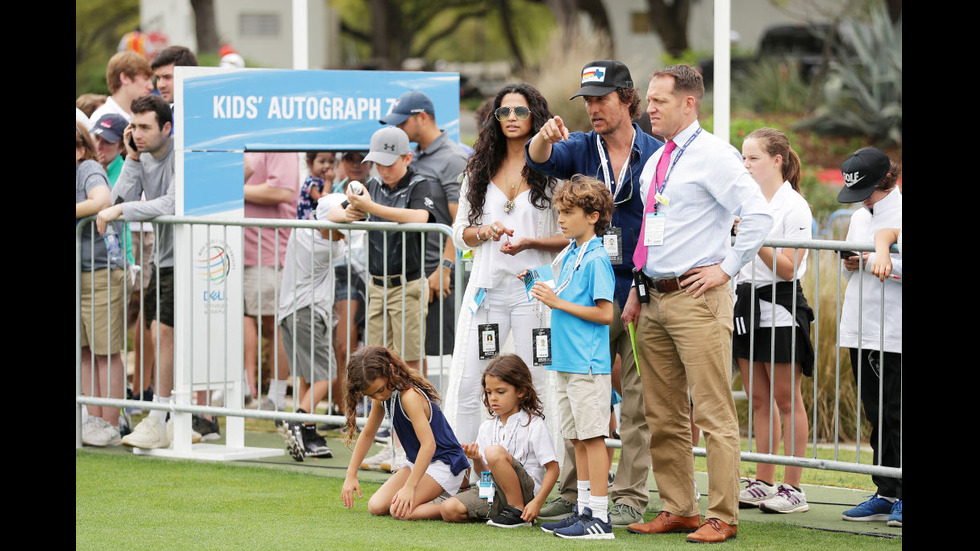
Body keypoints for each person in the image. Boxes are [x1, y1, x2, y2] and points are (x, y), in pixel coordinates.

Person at [624, 64, 772, 544]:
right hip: (653, 298)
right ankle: (679, 508)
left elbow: (757, 215)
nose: (649, 108)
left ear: (689, 103)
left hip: (698, 298)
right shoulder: (655, 160)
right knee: (663, 414)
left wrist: (725, 269)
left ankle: (723, 517)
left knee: (712, 413)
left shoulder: (715, 156)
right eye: (649, 100)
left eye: (659, 101)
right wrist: (634, 286)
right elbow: (649, 228)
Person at [525, 59, 662, 528]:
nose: (593, 108)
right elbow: (538, 159)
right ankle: (577, 495)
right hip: (590, 288)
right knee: (577, 393)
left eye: (602, 98)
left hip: (641, 290)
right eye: (587, 100)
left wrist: (641, 289)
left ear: (628, 97)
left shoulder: (657, 152)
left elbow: (659, 226)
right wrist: (544, 136)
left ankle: (627, 497)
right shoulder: (581, 146)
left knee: (639, 402)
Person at [444, 83, 565, 454]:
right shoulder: (479, 169)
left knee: (538, 382)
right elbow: (460, 233)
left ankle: (541, 471)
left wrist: (530, 243)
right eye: (504, 112)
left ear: (535, 117)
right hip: (487, 291)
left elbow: (570, 235)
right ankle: (460, 471)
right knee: (468, 381)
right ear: (495, 119)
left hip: (536, 293)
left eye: (521, 111)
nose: (512, 118)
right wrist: (484, 231)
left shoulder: (554, 168)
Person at [526, 175, 616, 540]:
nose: (560, 219)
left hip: (587, 364)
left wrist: (558, 302)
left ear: (593, 216)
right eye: (560, 212)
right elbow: (556, 284)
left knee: (593, 437)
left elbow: (606, 313)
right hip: (564, 361)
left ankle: (600, 517)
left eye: (569, 212)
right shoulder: (571, 253)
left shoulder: (596, 258)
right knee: (577, 439)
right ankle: (583, 510)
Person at [96, 94, 188, 449]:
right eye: (133, 126)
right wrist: (132, 158)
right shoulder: (139, 154)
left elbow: (173, 201)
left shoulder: (181, 152)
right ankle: (166, 416)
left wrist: (121, 213)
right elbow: (118, 200)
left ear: (167, 127)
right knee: (155, 334)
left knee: (163, 334)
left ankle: (159, 415)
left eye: (145, 127)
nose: (136, 133)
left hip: (189, 258)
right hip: (161, 259)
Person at [733, 128, 815, 514]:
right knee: (759, 399)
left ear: (777, 160)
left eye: (753, 158)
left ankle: (793, 487)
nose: (745, 165)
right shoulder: (745, 202)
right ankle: (764, 480)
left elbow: (788, 269)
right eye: (744, 158)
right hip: (746, 308)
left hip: (781, 309)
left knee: (786, 398)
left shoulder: (794, 206)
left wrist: (755, 238)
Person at [327, 126, 436, 373]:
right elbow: (332, 213)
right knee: (375, 361)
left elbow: (420, 216)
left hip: (408, 285)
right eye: (378, 164)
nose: (383, 170)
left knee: (409, 363)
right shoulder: (372, 187)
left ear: (407, 158)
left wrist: (370, 208)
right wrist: (349, 213)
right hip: (376, 286)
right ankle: (383, 412)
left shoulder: (419, 185)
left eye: (389, 164)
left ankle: (414, 411)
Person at [835, 148, 902, 528]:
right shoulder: (860, 217)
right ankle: (885, 491)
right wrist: (851, 264)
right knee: (876, 413)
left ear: (885, 182)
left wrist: (885, 264)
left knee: (897, 413)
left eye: (866, 191)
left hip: (894, 330)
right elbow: (851, 271)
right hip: (859, 328)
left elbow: (889, 265)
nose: (861, 200)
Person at [381, 90, 468, 368]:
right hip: (413, 274)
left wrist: (445, 267)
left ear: (422, 117)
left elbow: (461, 219)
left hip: (440, 274)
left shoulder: (453, 158)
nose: (397, 129)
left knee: (455, 355)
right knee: (412, 355)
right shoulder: (412, 158)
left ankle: (446, 412)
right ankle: (420, 411)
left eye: (401, 123)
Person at [341, 346, 469, 520]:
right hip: (417, 463)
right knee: (376, 506)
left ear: (390, 371)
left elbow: (429, 445)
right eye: (370, 394)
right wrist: (351, 474)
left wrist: (410, 487)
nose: (378, 397)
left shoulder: (409, 396)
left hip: (445, 463)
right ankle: (439, 495)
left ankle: (456, 506)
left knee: (400, 511)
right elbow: (368, 434)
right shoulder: (382, 397)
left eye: (379, 390)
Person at [440, 354, 559, 528]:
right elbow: (485, 474)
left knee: (494, 451)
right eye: (489, 392)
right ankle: (503, 514)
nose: (493, 398)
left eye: (500, 392)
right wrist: (477, 459)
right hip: (495, 491)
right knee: (448, 509)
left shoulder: (535, 425)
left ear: (521, 391)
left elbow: (553, 469)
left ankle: (518, 511)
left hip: (527, 493)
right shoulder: (486, 427)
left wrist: (537, 503)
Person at [276, 195, 347, 461]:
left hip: (292, 313)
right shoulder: (330, 248)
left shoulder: (301, 231)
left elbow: (327, 218)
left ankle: (306, 432)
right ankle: (298, 420)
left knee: (308, 375)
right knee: (326, 375)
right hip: (307, 312)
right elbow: (339, 228)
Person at [77, 121, 126, 447]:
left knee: (105, 351)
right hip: (80, 275)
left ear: (80, 148)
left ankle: (109, 421)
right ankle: (93, 420)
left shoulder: (89, 167)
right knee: (84, 350)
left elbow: (102, 199)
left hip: (101, 272)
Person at [243, 151, 300, 411]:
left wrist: (234, 191)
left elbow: (283, 191)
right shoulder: (241, 141)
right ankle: (243, 389)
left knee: (276, 323)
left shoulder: (277, 142)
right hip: (237, 252)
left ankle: (276, 396)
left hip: (271, 252)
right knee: (241, 319)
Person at [88, 51, 153, 130]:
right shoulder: (101, 118)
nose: (151, 86)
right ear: (125, 78)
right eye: (145, 79)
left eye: (151, 80)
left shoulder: (149, 116)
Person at [297, 151, 337, 220]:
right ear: (309, 163)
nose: (327, 166)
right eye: (322, 162)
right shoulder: (311, 182)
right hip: (307, 225)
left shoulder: (322, 181)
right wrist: (329, 181)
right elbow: (322, 202)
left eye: (331, 162)